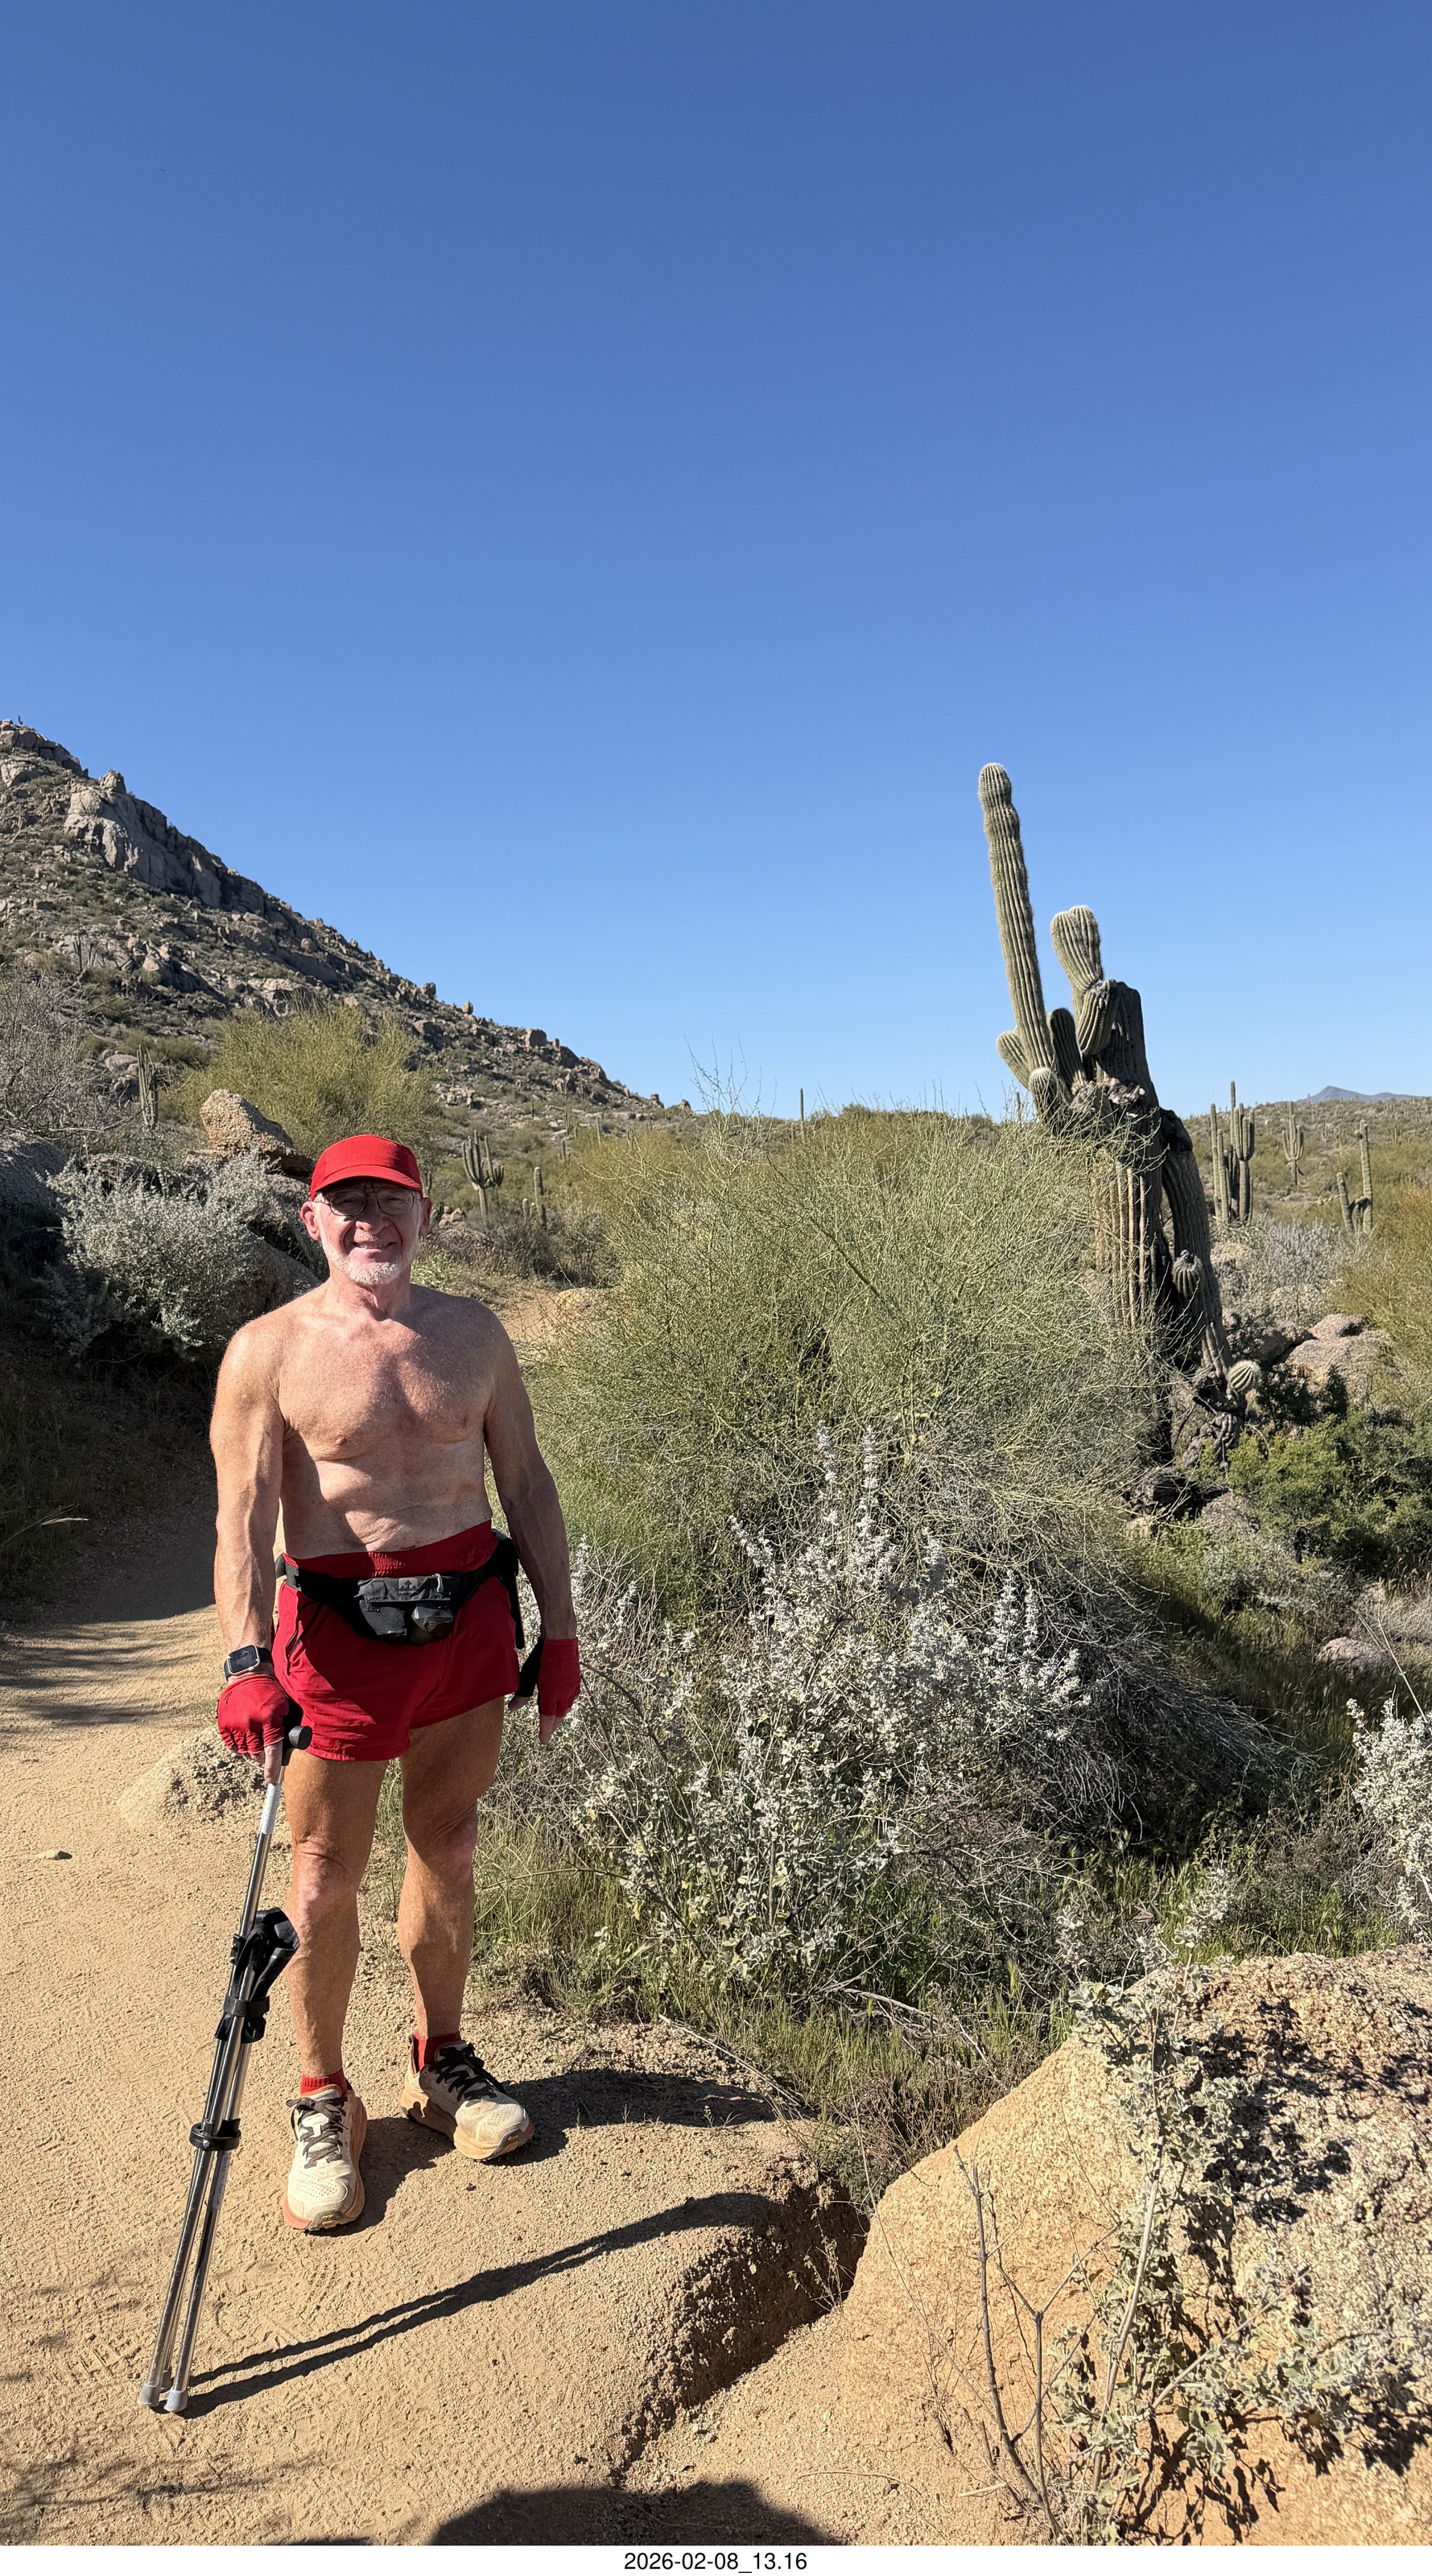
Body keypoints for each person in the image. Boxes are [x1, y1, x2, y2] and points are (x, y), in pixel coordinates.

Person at [209, 1132, 580, 2232]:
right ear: (313, 1221)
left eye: (392, 1201)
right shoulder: (268, 1350)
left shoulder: (475, 1334)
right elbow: (243, 1520)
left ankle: (441, 2062)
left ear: (427, 1216)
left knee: (450, 1845)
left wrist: (559, 1631)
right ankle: (324, 2097)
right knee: (324, 1874)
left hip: (468, 1626)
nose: (371, 1221)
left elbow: (526, 1481)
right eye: (348, 1203)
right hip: (338, 1641)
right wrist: (245, 1661)